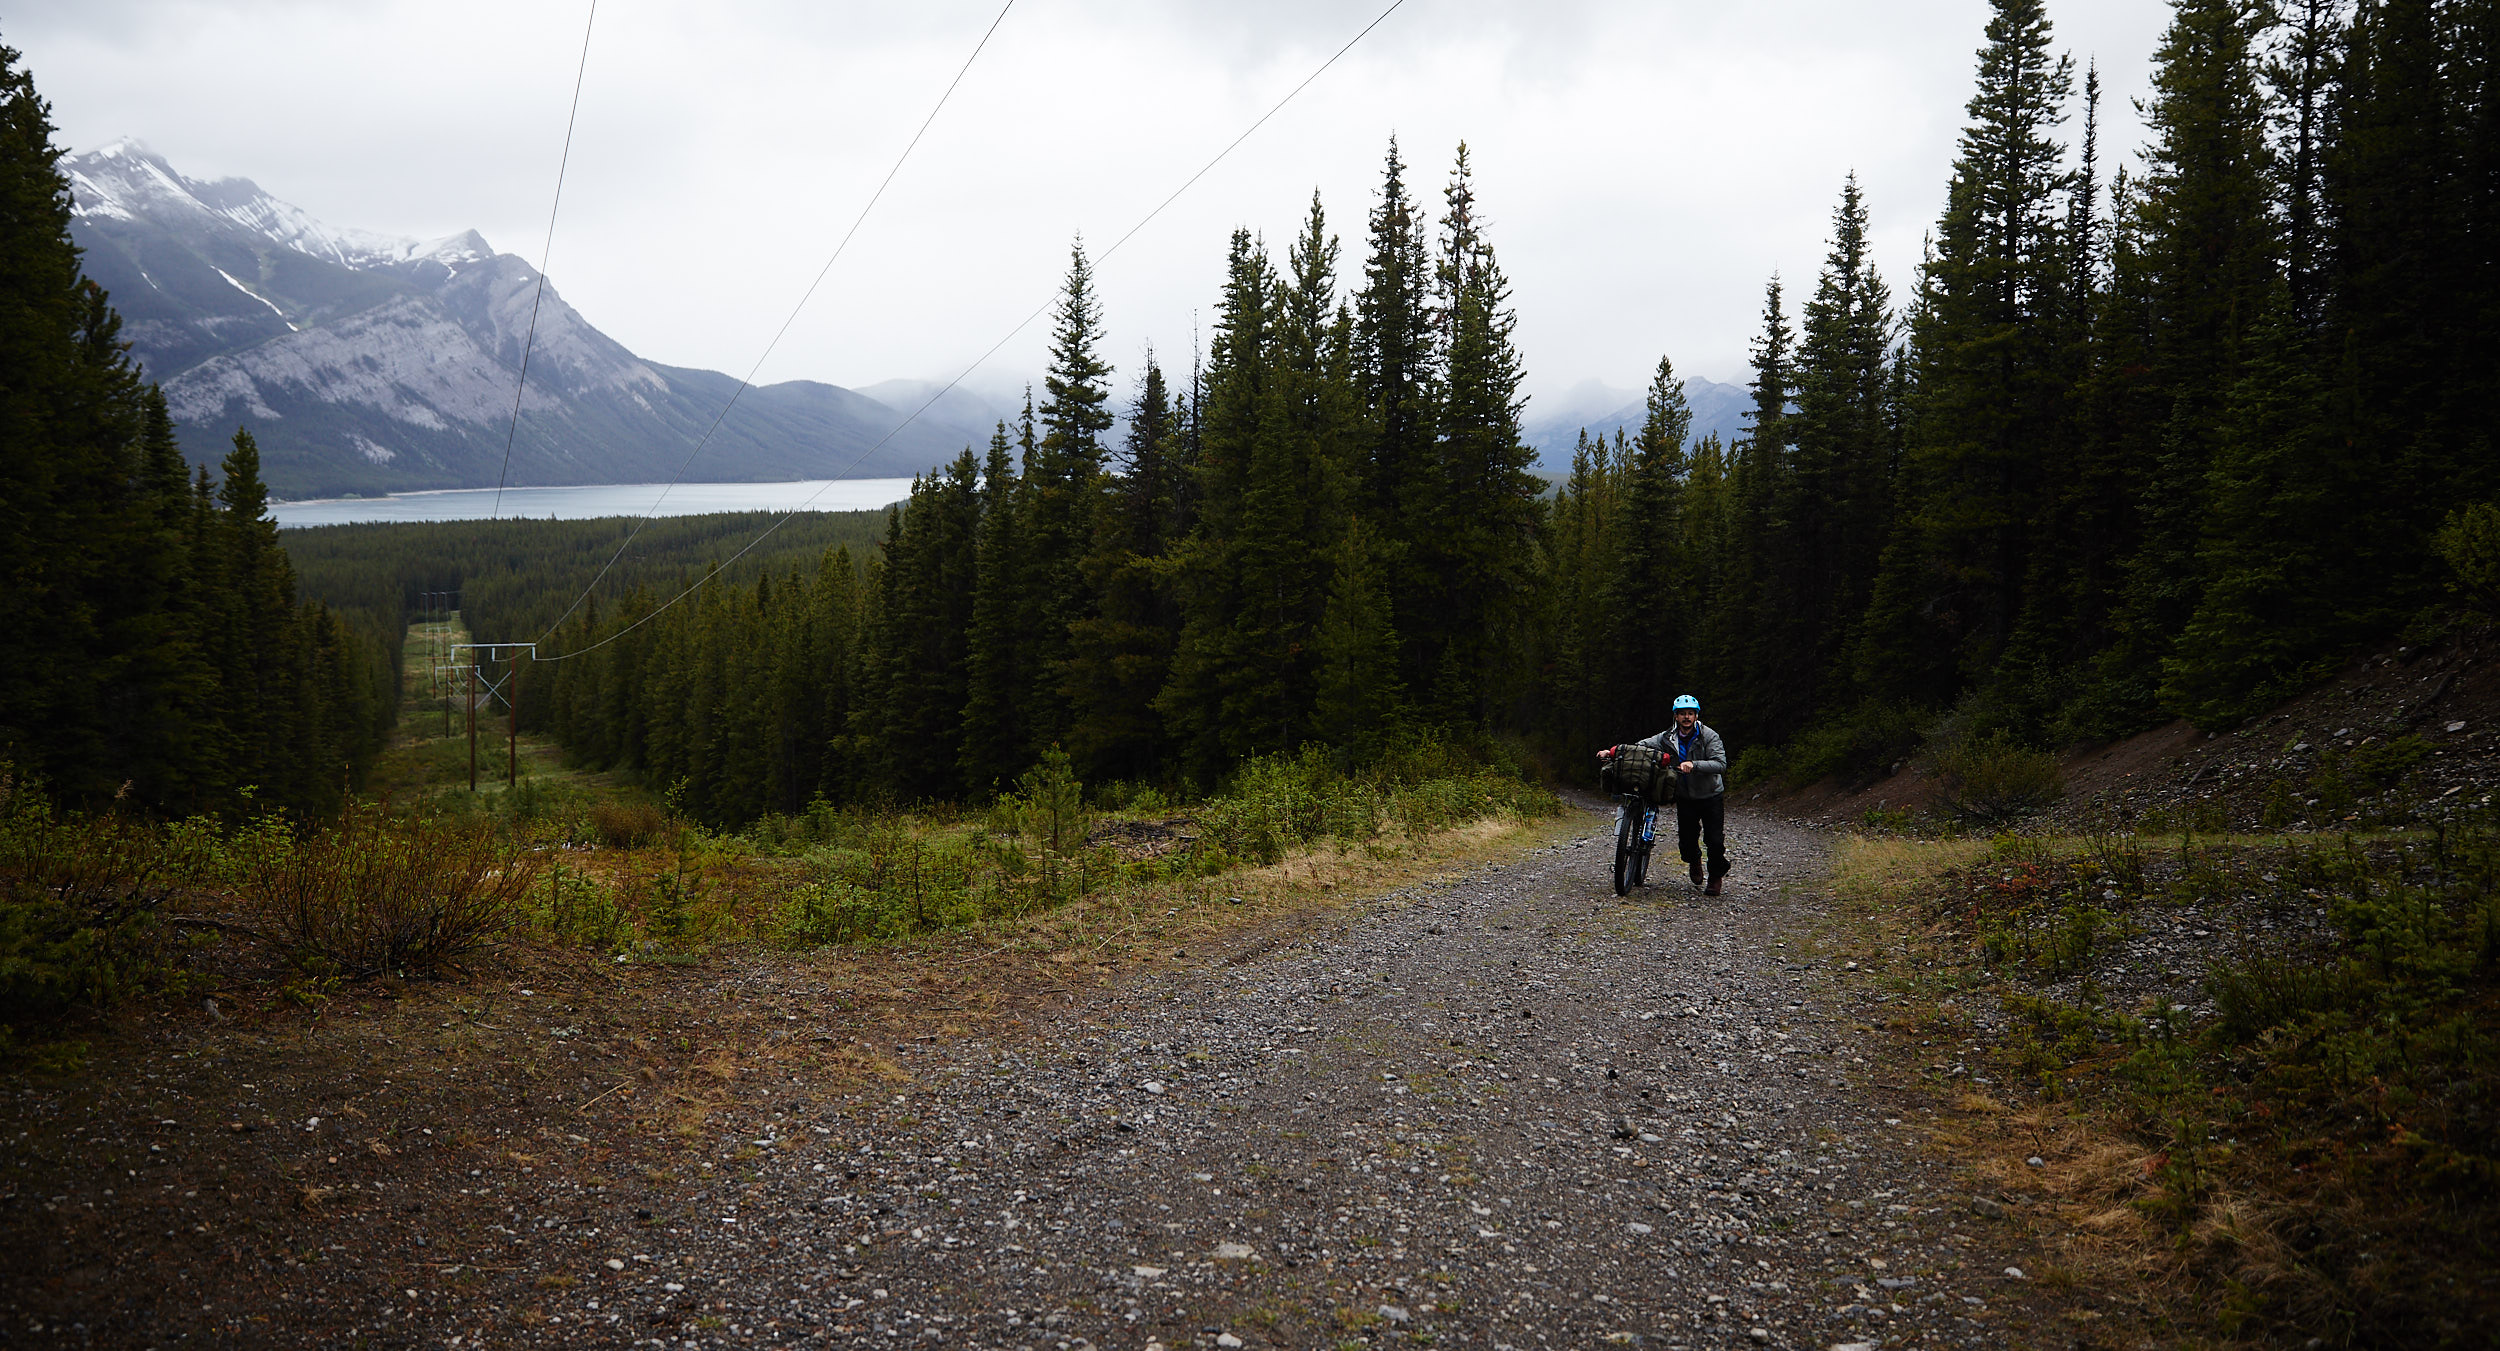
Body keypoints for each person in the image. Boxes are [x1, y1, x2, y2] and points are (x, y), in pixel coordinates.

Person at [1641, 695, 1728, 895]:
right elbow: (1642, 745)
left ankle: (1715, 877)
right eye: (1682, 714)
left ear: (1696, 715)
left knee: (1714, 840)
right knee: (1687, 841)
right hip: (1685, 797)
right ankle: (1694, 861)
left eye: (1690, 713)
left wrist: (1694, 765)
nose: (1686, 717)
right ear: (1676, 716)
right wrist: (1612, 752)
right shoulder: (1667, 737)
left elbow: (1720, 764)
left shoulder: (1709, 736)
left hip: (1710, 796)